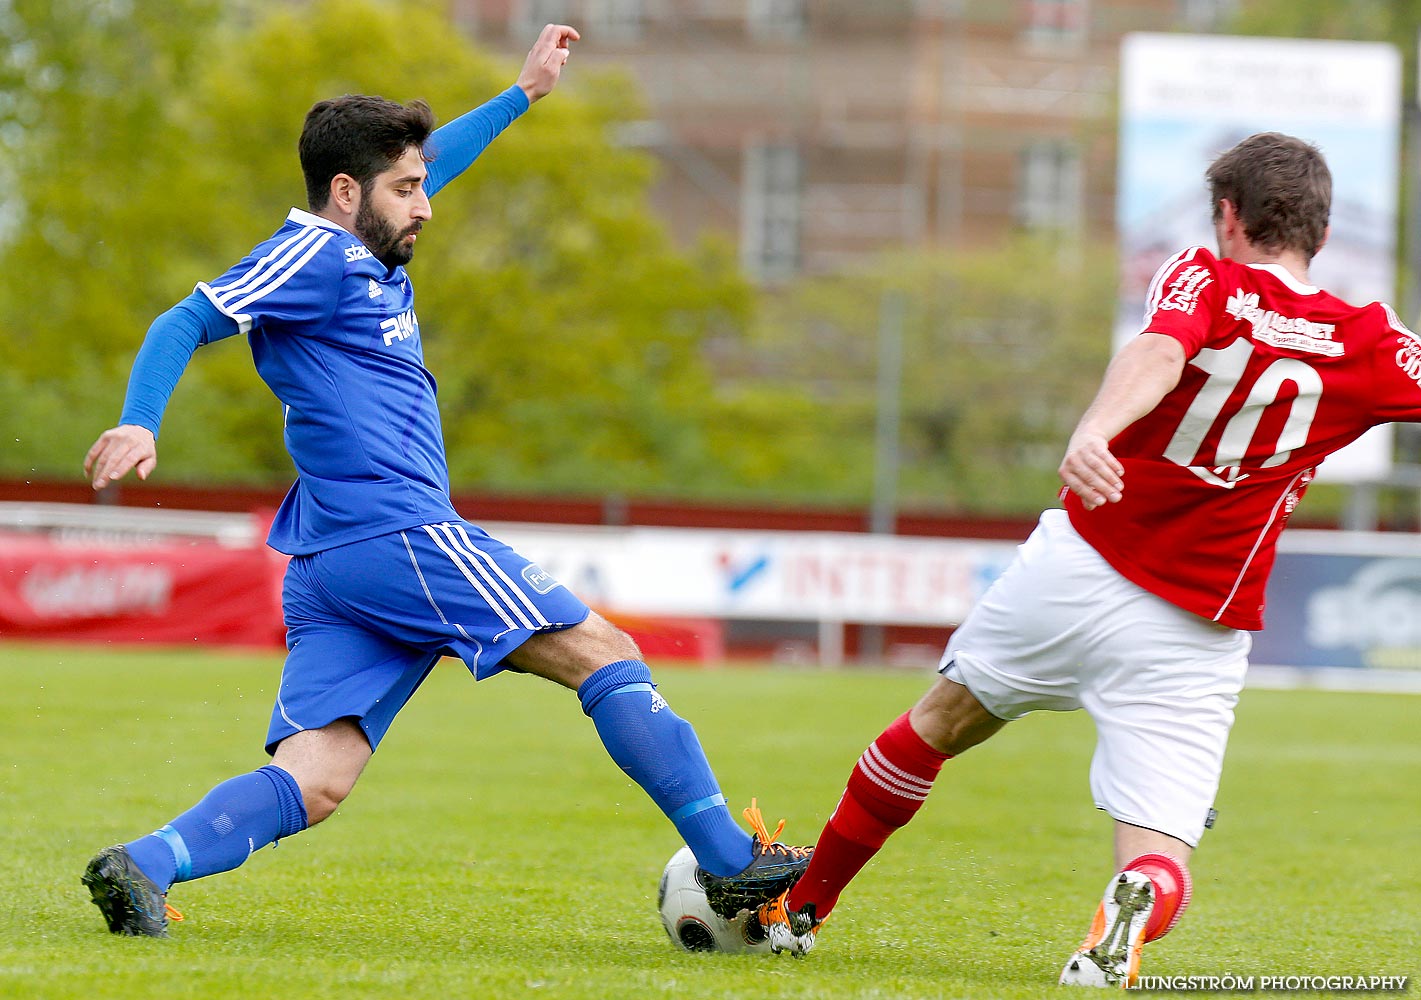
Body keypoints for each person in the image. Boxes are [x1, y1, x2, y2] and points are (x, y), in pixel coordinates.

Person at [79, 23, 809, 939]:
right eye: (406, 189)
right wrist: (141, 418)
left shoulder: (367, 244)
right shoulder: (312, 253)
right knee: (606, 654)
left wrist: (521, 96)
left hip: (334, 558)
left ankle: (144, 865)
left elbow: (433, 165)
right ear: (346, 193)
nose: (425, 203)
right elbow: (184, 319)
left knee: (319, 777)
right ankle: (734, 865)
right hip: (396, 534)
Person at [753, 131, 1421, 984]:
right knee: (1159, 848)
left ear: (1226, 213)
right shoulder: (1369, 339)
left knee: (935, 726)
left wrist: (1092, 430)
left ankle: (803, 903)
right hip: (1197, 628)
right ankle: (1127, 908)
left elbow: (1159, 348)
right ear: (1318, 233)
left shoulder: (1202, 275)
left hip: (1081, 563)